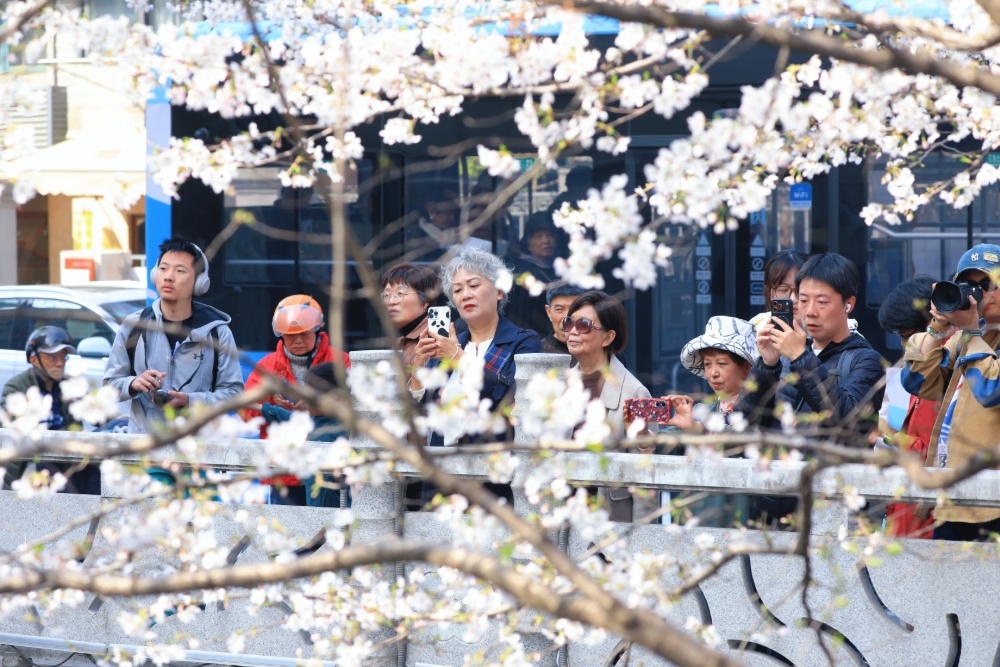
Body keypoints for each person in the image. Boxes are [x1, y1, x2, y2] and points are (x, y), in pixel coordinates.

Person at [738, 253, 884, 523]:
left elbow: (848, 423)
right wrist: (767, 364)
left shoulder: (866, 360)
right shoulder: (786, 355)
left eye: (822, 302)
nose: (810, 311)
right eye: (803, 300)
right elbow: (745, 421)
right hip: (772, 507)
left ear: (848, 304)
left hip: (831, 513)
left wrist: (800, 358)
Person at [409, 247, 541, 504]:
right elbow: (424, 410)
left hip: (493, 477)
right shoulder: (449, 341)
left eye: (474, 285)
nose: (465, 295)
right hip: (441, 475)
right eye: (457, 290)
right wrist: (418, 368)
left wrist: (457, 357)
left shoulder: (523, 341)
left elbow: (508, 398)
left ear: (499, 291)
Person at [901, 244, 1000, 541]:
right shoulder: (967, 337)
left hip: (992, 503)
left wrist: (971, 332)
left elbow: (989, 390)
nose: (979, 293)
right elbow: (917, 382)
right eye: (969, 285)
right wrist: (938, 325)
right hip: (952, 498)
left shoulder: (971, 336)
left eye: (989, 283)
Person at [103, 238, 245, 434]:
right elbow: (108, 387)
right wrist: (133, 384)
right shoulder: (134, 325)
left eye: (180, 271)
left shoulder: (217, 332)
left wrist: (190, 400)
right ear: (155, 274)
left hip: (197, 446)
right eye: (163, 269)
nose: (168, 277)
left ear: (199, 282)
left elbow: (234, 395)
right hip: (145, 445)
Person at [564, 290, 654, 523]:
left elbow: (645, 475)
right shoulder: (558, 386)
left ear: (607, 337)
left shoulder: (636, 392)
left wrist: (644, 537)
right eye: (569, 323)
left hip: (609, 520)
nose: (573, 331)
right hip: (563, 514)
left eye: (584, 325)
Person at [660, 316, 757, 527]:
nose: (713, 373)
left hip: (741, 522)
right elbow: (669, 442)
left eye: (722, 363)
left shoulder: (760, 411)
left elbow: (745, 439)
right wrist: (643, 437)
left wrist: (698, 430)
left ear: (747, 367)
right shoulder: (703, 412)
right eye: (707, 364)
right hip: (697, 522)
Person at [875, 276, 937, 539]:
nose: (903, 345)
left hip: (927, 520)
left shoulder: (945, 376)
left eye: (905, 336)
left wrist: (887, 434)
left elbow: (933, 454)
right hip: (905, 511)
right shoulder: (912, 374)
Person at [2, 327, 98, 494]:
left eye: (63, 357)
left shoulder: (70, 385)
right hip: (30, 465)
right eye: (53, 357)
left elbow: (97, 417)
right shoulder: (17, 387)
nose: (60, 363)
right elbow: (10, 427)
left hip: (67, 463)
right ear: (34, 359)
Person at [242, 295, 350, 437]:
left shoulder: (341, 360)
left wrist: (315, 403)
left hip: (327, 442)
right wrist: (271, 399)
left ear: (316, 331)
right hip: (278, 445)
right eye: (290, 335)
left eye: (304, 334)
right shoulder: (266, 365)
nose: (298, 340)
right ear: (281, 335)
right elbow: (245, 412)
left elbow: (357, 406)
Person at [254, 362, 349, 508]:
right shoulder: (312, 422)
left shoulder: (339, 434)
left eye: (311, 395)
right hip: (316, 511)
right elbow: (283, 414)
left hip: (332, 513)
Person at [380, 263, 441, 373]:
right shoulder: (398, 343)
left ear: (426, 300)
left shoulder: (435, 341)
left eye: (400, 293)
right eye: (387, 295)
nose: (391, 302)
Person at [506, 213, 560, 334]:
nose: (546, 241)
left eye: (550, 235)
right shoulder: (521, 272)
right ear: (528, 244)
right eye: (538, 236)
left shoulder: (561, 269)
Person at [539, 284, 587, 354]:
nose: (566, 318)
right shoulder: (536, 352)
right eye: (559, 309)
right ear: (549, 312)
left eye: (573, 309)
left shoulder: (595, 349)